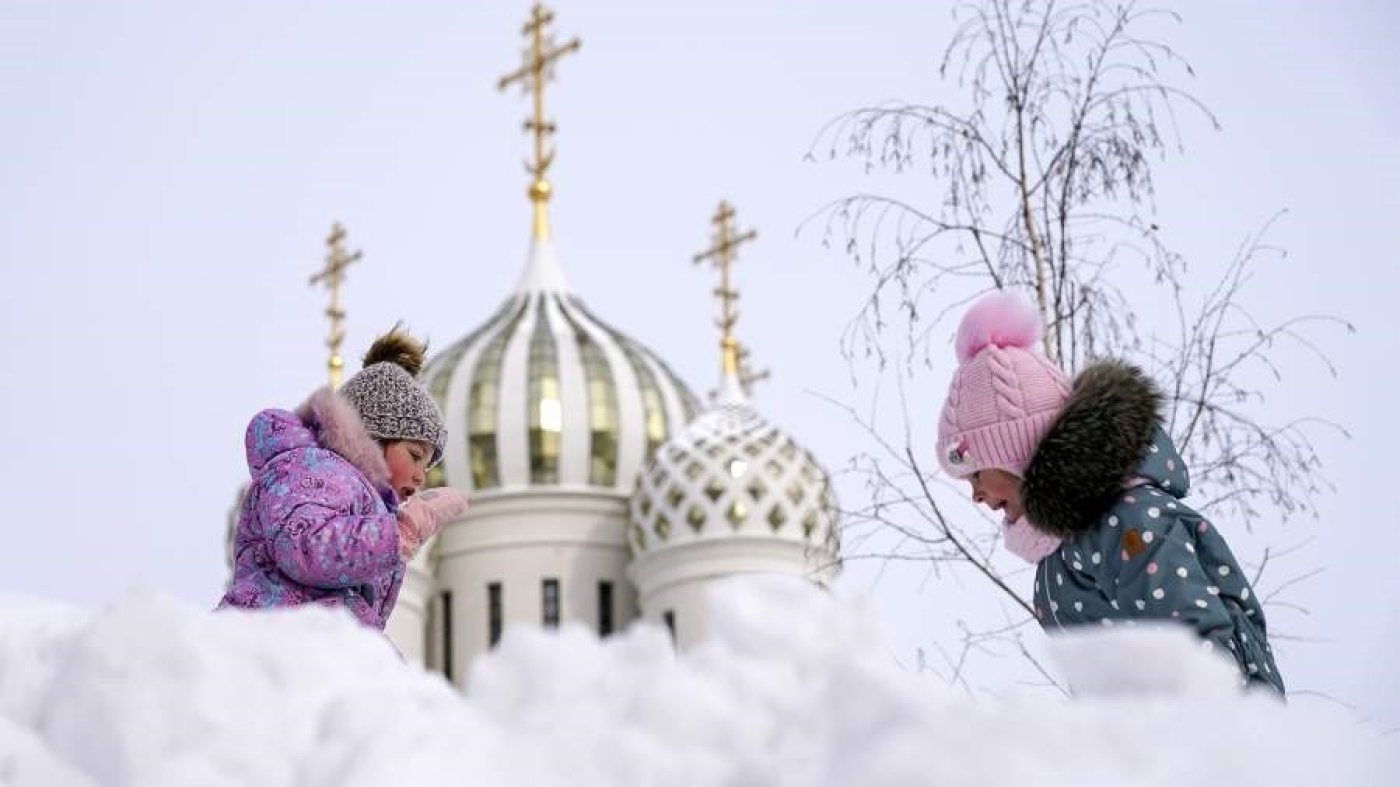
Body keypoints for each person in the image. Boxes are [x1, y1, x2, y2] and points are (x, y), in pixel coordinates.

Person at [936, 291, 1285, 694]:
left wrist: (1220, 737)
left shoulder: (1127, 521)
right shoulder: (1062, 555)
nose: (976, 496)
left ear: (1017, 452)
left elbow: (1198, 644)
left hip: (1216, 733)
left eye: (976, 474)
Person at [219, 328, 468, 630]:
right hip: (278, 639)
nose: (419, 476)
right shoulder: (316, 470)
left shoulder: (361, 499)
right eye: (415, 456)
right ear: (375, 438)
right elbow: (306, 548)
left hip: (309, 641)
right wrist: (401, 531)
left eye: (426, 468)